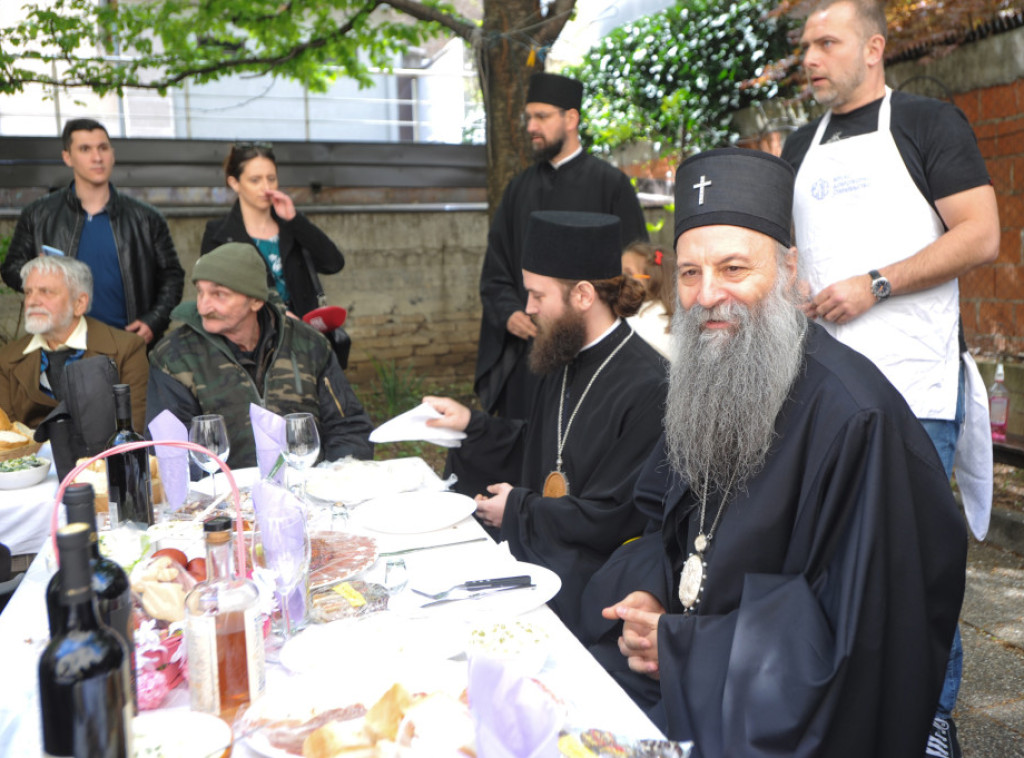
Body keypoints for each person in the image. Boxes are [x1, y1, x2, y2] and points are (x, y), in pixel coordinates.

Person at [580, 148, 966, 758]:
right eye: (688, 273)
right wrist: (655, 592)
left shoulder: (852, 420)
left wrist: (685, 649)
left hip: (772, 715)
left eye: (734, 269)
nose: (707, 296)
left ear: (789, 271)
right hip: (697, 680)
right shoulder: (707, 380)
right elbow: (670, 528)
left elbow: (860, 637)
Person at [780, 2, 1000, 754]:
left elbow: (981, 233)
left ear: (873, 48)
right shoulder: (796, 146)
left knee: (915, 566)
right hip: (820, 393)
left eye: (826, 42)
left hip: (914, 387)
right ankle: (847, 706)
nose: (809, 56)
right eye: (804, 43)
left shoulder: (929, 125)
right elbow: (786, 255)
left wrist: (874, 283)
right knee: (827, 558)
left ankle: (932, 718)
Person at [426, 210, 667, 633]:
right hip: (539, 558)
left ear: (584, 296)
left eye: (538, 295)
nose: (528, 308)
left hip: (594, 585)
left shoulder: (650, 386)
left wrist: (520, 511)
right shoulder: (564, 353)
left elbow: (618, 515)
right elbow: (543, 448)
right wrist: (472, 425)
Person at [475, 73, 649, 420]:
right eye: (528, 118)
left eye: (541, 116)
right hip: (530, 354)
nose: (531, 127)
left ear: (571, 119)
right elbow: (496, 268)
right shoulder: (517, 190)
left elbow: (635, 268)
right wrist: (510, 312)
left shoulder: (610, 184)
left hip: (589, 349)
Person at [146, 243, 373, 468]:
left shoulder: (309, 344)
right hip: (222, 497)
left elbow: (349, 427)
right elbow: (169, 451)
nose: (203, 307)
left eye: (219, 295)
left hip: (308, 491)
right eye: (200, 292)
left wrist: (334, 478)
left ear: (255, 300)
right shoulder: (174, 358)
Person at [2, 119, 185, 345]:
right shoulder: (38, 215)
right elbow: (10, 269)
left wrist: (154, 321)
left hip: (128, 344)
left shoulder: (146, 218)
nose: (97, 157)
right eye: (85, 149)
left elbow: (172, 276)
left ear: (112, 154)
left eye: (103, 148)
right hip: (62, 344)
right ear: (67, 157)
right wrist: (36, 273)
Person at [0, 256, 148, 430]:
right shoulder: (6, 358)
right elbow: (8, 438)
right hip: (32, 456)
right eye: (28, 292)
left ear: (79, 303)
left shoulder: (126, 349)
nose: (32, 301)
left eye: (45, 291)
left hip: (102, 455)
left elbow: (132, 431)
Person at [201, 142, 344, 318]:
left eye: (271, 178)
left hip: (304, 339)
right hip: (252, 340)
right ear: (235, 183)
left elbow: (333, 263)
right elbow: (216, 298)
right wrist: (276, 315)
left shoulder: (291, 226)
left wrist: (295, 220)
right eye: (255, 180)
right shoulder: (218, 234)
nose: (266, 188)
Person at [622, 241, 675, 361]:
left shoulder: (636, 325)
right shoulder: (681, 321)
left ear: (654, 280)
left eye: (627, 274)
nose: (617, 279)